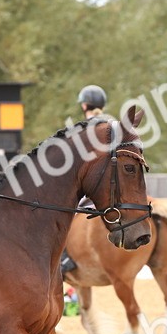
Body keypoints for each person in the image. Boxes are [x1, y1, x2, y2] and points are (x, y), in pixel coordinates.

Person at [60, 84, 113, 276]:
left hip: (92, 184)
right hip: (112, 181)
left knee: (65, 213)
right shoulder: (112, 125)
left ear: (84, 106)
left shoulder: (84, 128)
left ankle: (64, 257)